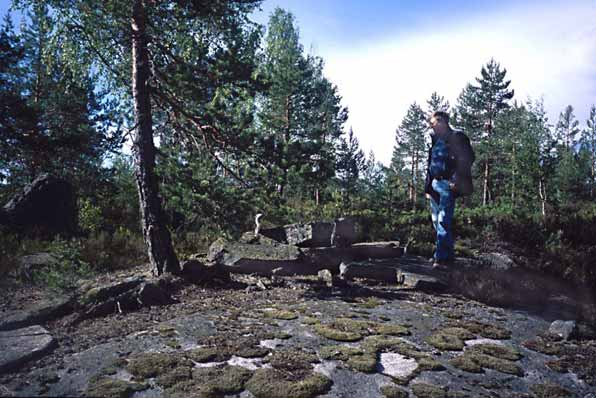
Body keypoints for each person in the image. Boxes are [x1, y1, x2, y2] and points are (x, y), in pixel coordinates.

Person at [424, 111, 474, 269]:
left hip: (448, 184)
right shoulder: (435, 140)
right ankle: (447, 255)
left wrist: (456, 180)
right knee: (436, 222)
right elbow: (430, 165)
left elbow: (467, 159)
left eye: (433, 123)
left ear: (442, 122)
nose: (431, 126)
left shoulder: (457, 137)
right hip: (434, 186)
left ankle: (441, 258)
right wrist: (427, 187)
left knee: (443, 221)